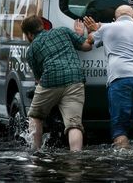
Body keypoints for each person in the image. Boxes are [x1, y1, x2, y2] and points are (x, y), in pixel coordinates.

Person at [83, 4, 133, 153]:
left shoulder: (108, 28)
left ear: (114, 18)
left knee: (119, 124)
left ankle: (123, 153)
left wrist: (93, 30)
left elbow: (90, 41)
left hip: (120, 77)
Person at [21, 15, 93, 152]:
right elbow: (86, 46)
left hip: (50, 81)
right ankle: (76, 156)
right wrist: (81, 34)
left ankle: (35, 150)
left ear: (29, 34)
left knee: (35, 116)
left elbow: (38, 79)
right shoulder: (62, 31)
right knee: (74, 124)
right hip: (75, 78)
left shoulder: (31, 50)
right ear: (42, 25)